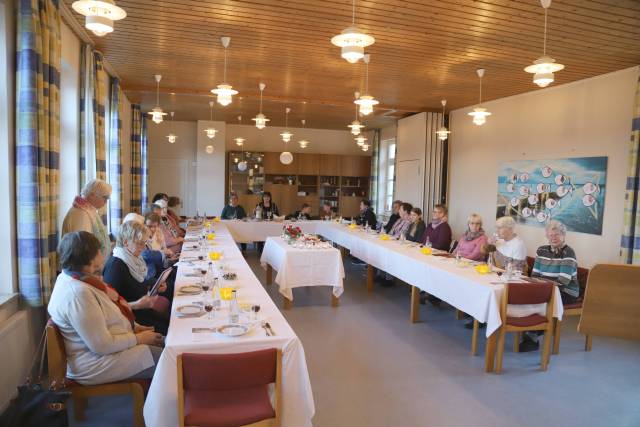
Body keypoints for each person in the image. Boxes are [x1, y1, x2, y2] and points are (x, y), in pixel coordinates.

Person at [48, 231, 164, 385]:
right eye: (99, 250)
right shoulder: (78, 294)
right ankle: (162, 407)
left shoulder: (76, 278)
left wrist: (135, 327)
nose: (103, 253)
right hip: (96, 363)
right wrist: (138, 339)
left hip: (111, 349)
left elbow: (106, 313)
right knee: (169, 361)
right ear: (90, 259)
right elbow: (102, 345)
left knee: (167, 344)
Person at [517, 221, 580, 352]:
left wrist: (541, 287)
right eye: (550, 235)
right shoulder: (541, 250)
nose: (553, 237)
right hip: (546, 288)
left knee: (543, 302)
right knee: (525, 298)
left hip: (566, 291)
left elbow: (563, 281)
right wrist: (538, 286)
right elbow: (535, 274)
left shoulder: (569, 253)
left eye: (557, 235)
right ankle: (527, 330)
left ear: (563, 235)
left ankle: (532, 336)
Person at [103, 222, 170, 335]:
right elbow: (109, 306)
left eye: (144, 243)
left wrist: (156, 286)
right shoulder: (116, 266)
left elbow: (135, 284)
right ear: (125, 243)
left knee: (171, 322)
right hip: (131, 319)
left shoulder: (134, 259)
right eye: (139, 243)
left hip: (143, 311)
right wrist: (137, 304)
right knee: (169, 331)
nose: (144, 247)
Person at [62, 179, 112, 260]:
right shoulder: (81, 213)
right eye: (105, 198)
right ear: (92, 194)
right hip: (82, 266)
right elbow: (83, 246)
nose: (106, 202)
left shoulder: (88, 210)